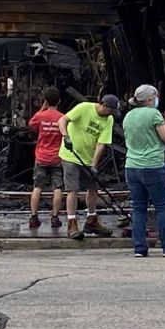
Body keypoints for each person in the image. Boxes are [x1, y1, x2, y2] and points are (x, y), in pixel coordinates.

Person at [124, 84, 165, 258]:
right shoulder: (153, 114)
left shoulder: (129, 116)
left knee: (138, 208)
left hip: (132, 166)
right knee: (162, 207)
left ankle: (140, 248)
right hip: (152, 166)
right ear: (150, 99)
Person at [58, 93, 120, 240]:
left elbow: (101, 144)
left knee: (93, 188)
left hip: (87, 158)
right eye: (109, 110)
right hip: (70, 155)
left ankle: (91, 220)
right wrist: (65, 136)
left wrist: (94, 165)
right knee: (72, 189)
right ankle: (72, 224)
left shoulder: (109, 120)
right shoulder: (84, 108)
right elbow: (63, 120)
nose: (110, 114)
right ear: (103, 105)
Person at [27, 87, 65, 229]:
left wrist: (43, 108)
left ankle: (33, 217)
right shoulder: (62, 117)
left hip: (41, 157)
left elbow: (31, 125)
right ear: (59, 101)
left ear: (45, 101)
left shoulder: (40, 116)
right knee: (58, 187)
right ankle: (55, 218)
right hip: (57, 157)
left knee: (37, 187)